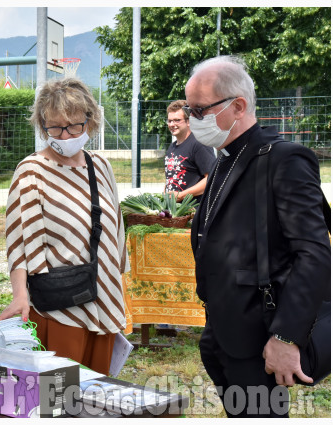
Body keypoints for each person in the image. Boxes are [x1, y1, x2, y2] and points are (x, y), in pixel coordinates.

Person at [186, 56, 330, 417]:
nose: (192, 119)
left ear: (238, 106)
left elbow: (314, 254)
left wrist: (287, 337)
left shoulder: (284, 160)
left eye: (200, 109)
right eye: (189, 109)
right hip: (223, 330)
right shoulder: (224, 158)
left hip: (262, 336)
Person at [0, 78, 129, 375]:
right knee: (58, 398)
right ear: (42, 125)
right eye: (54, 126)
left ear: (90, 122)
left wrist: (118, 285)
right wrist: (20, 295)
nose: (64, 134)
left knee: (97, 396)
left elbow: (116, 229)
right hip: (59, 306)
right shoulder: (31, 171)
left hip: (104, 295)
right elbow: (18, 240)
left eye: (73, 125)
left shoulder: (101, 166)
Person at [164, 100, 216, 203]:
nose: (172, 124)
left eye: (177, 120)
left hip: (192, 211)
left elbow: (211, 178)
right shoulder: (172, 147)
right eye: (169, 121)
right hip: (175, 211)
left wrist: (182, 195)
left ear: (188, 121)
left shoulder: (199, 144)